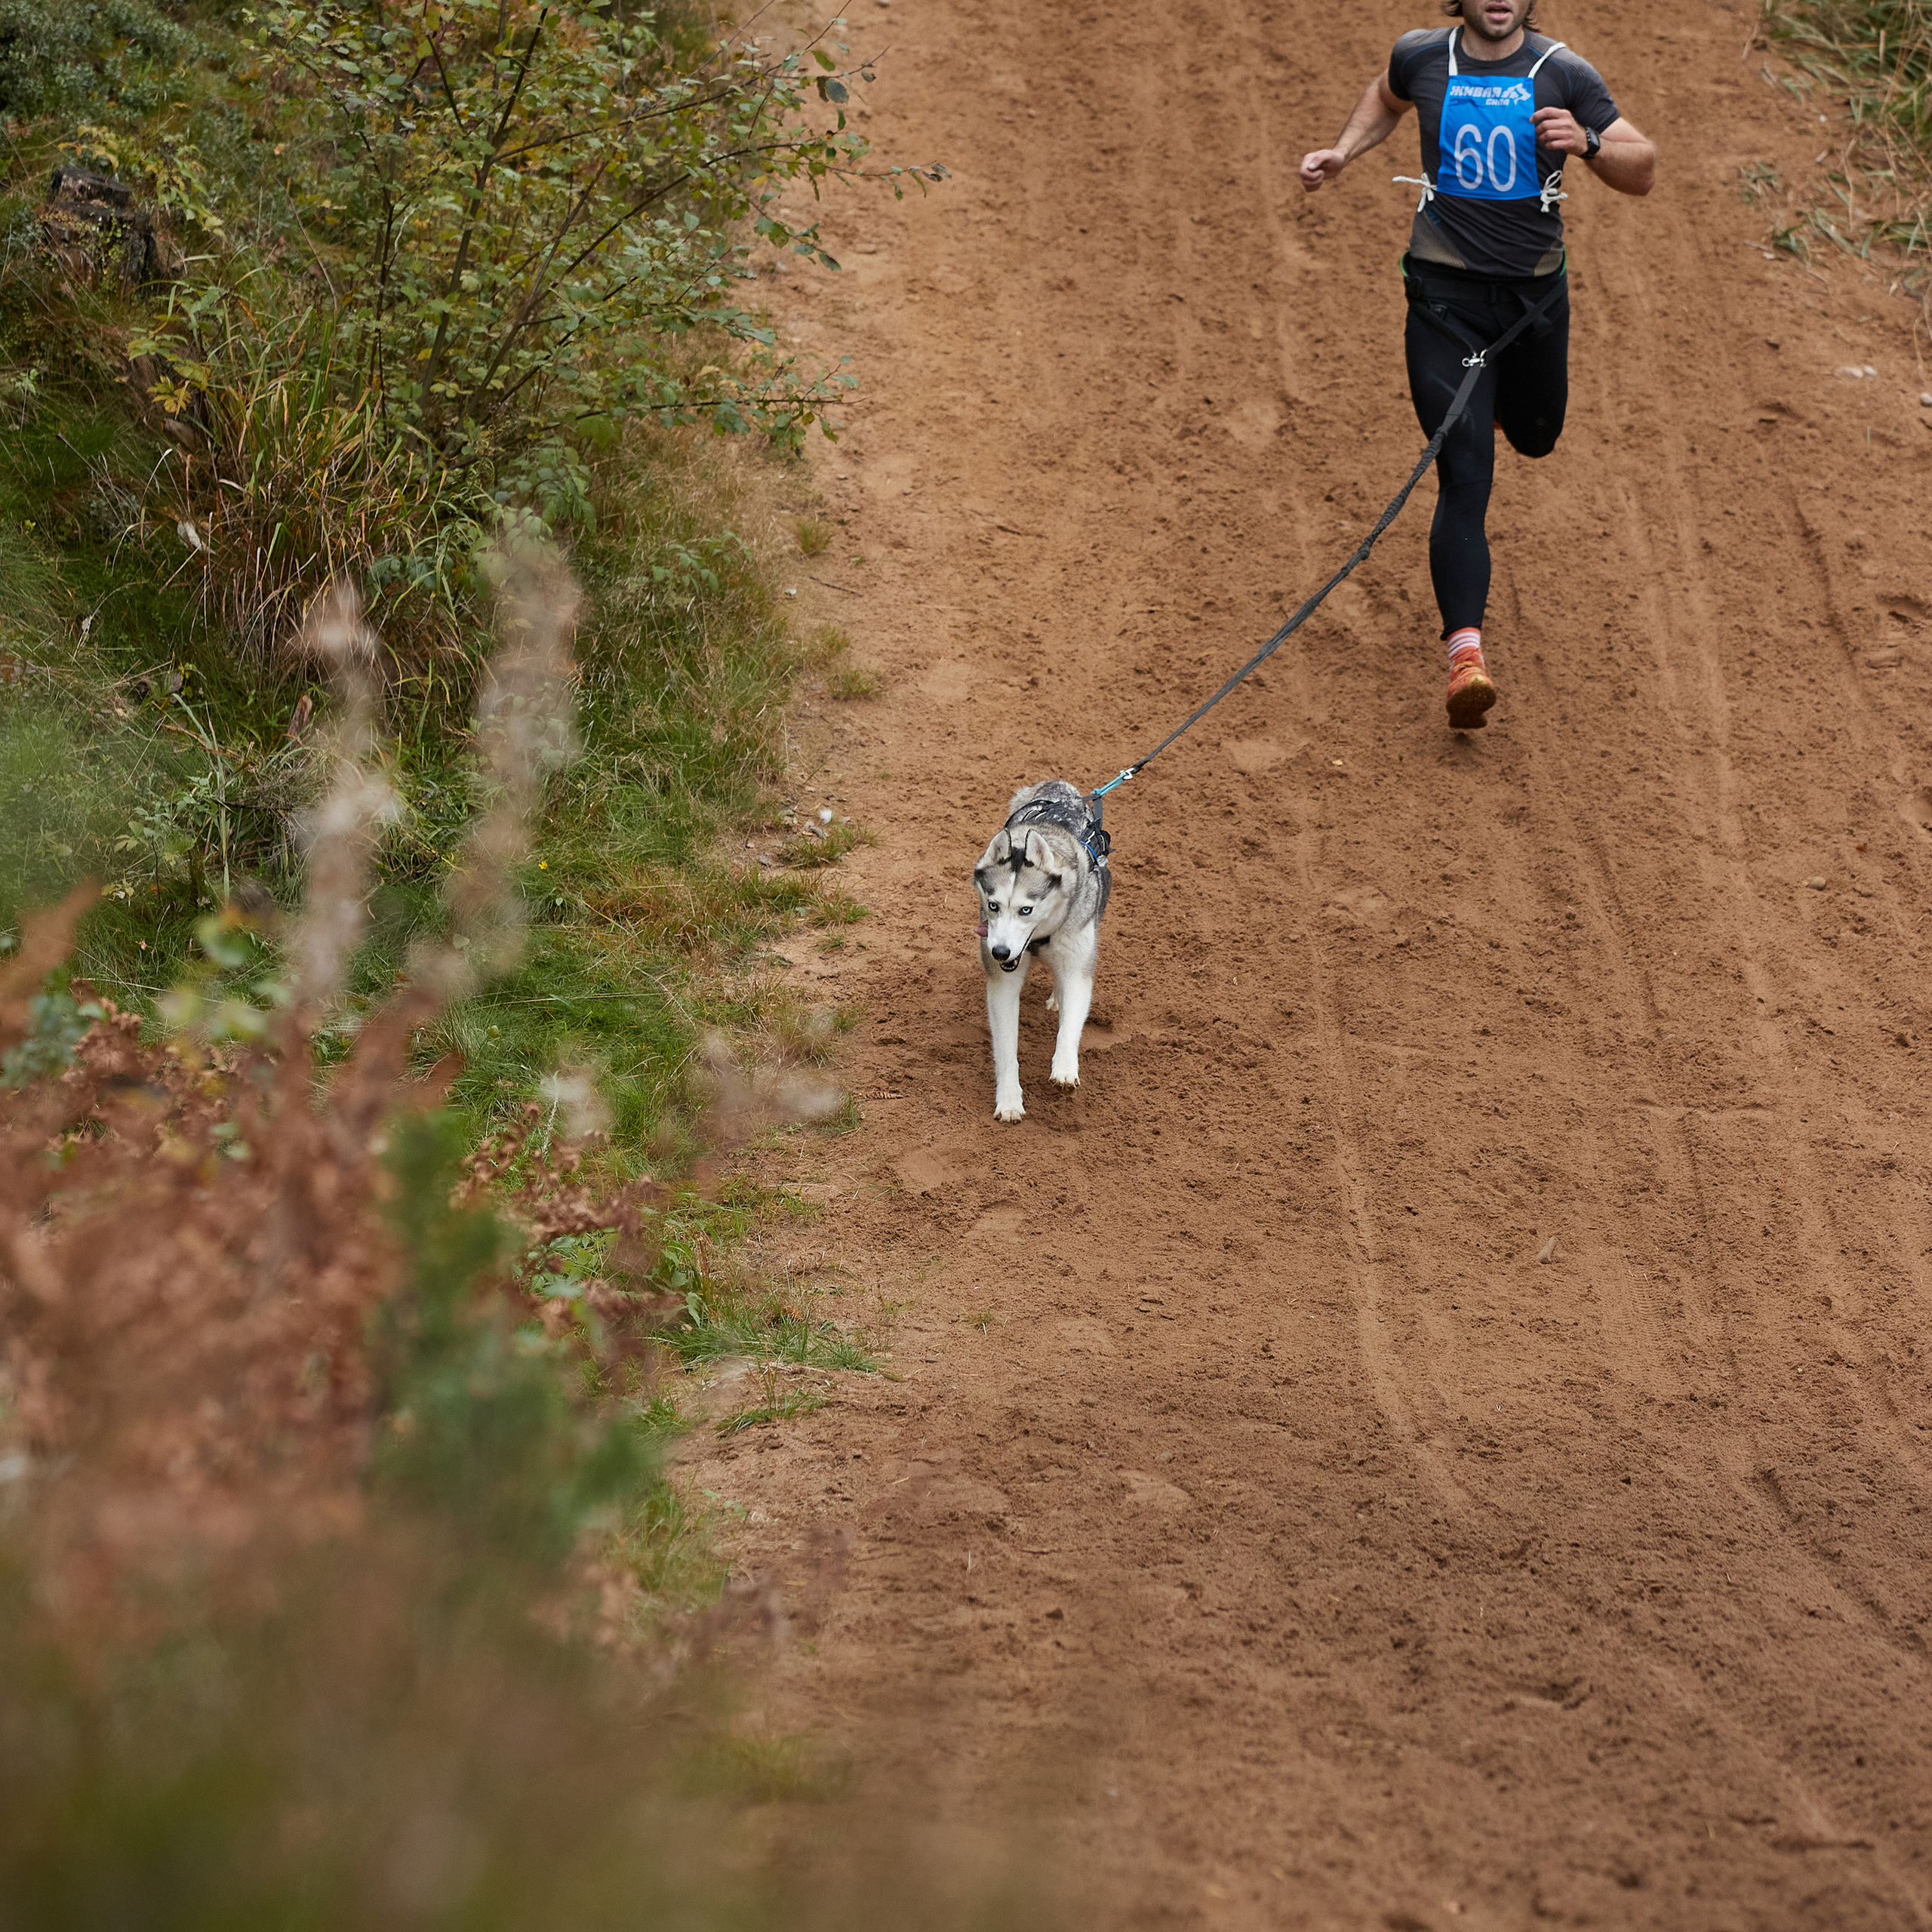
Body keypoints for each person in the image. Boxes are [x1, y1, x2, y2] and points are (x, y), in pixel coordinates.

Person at [1299, 0, 1655, 728]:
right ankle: (1466, 658)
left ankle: (1493, 402)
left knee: (1537, 435)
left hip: (1531, 306)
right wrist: (1344, 151)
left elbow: (1642, 169)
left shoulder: (1562, 72)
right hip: (1444, 300)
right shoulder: (1421, 55)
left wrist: (1589, 142)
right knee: (1465, 477)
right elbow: (1386, 97)